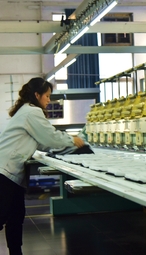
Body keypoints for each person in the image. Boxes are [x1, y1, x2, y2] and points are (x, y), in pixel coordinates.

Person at [0, 77, 85, 255]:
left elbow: (42, 142)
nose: (48, 100)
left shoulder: (26, 111)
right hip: (4, 172)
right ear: (37, 95)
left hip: (10, 173)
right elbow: (49, 136)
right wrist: (72, 140)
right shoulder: (32, 112)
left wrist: (65, 146)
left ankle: (16, 252)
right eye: (47, 96)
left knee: (16, 217)